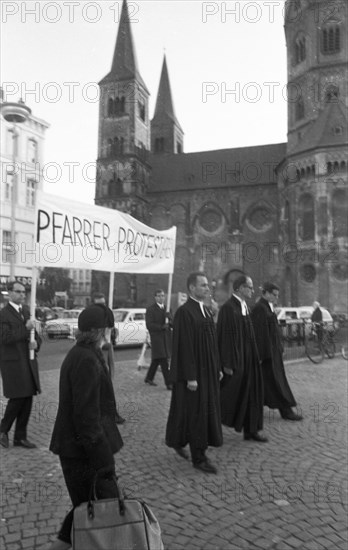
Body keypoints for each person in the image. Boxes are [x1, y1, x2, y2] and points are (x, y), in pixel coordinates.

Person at [48, 304, 123, 550]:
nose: (113, 332)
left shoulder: (85, 353)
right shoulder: (86, 359)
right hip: (82, 454)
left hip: (79, 451)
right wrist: (104, 462)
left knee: (84, 509)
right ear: (101, 330)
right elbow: (86, 418)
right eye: (111, 327)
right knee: (101, 508)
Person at [165, 272, 223, 474]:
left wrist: (217, 367)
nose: (207, 288)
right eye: (203, 285)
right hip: (194, 375)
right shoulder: (185, 312)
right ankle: (199, 457)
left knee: (193, 412)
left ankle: (178, 441)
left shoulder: (205, 311)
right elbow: (184, 346)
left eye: (208, 285)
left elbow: (212, 344)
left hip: (207, 372)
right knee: (197, 414)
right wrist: (191, 377)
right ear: (192, 288)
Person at [217, 274, 268, 442]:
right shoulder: (228, 308)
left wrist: (255, 355)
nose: (253, 290)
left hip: (249, 360)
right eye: (250, 287)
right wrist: (227, 363)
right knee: (229, 396)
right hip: (237, 361)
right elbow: (225, 338)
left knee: (252, 394)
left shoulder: (245, 306)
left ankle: (251, 429)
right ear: (239, 288)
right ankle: (211, 423)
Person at [251, 282, 303, 421]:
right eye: (274, 294)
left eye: (277, 295)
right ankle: (286, 411)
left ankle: (252, 409)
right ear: (266, 293)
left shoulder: (267, 307)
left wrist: (279, 348)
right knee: (275, 383)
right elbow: (260, 333)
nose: (276, 297)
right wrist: (263, 354)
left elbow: (273, 331)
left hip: (273, 352)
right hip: (267, 354)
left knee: (267, 384)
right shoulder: (259, 308)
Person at [0, 281, 41, 449]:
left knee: (28, 397)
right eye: (18, 292)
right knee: (17, 398)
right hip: (13, 363)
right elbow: (5, 338)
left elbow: (35, 336)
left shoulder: (26, 311)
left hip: (28, 361)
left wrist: (36, 344)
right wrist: (25, 329)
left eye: (24, 292)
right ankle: (3, 430)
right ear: (9, 293)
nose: (23, 295)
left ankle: (20, 437)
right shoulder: (3, 314)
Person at [92, 292, 125, 424]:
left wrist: (112, 335)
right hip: (97, 350)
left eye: (103, 304)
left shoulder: (108, 314)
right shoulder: (91, 317)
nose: (102, 307)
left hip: (107, 349)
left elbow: (110, 330)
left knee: (108, 381)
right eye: (99, 304)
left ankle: (111, 412)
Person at [144, 289, 173, 390]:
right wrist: (161, 327)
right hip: (157, 338)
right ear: (155, 297)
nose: (161, 298)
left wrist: (170, 318)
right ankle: (169, 383)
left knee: (157, 359)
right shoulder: (151, 309)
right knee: (164, 359)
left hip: (166, 337)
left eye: (163, 296)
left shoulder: (167, 308)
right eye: (159, 296)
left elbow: (173, 324)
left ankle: (149, 378)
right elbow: (149, 325)